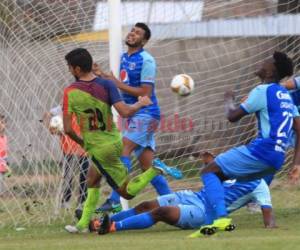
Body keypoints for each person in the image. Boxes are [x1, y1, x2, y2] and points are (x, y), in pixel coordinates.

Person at [62, 48, 181, 233]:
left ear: (77, 69)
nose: (69, 71)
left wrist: (82, 141)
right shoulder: (106, 85)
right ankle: (82, 225)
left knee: (126, 191)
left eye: (69, 67)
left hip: (100, 148)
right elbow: (124, 111)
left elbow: (68, 129)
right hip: (114, 140)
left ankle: (154, 170)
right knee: (92, 180)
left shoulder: (70, 92)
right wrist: (139, 104)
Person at [197, 51, 300, 235]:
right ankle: (207, 223)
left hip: (261, 151)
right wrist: (296, 164)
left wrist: (228, 98)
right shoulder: (285, 95)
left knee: (208, 171)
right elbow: (299, 129)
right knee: (220, 177)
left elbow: (232, 117)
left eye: (267, 62)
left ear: (271, 72)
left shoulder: (262, 90)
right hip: (277, 159)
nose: (262, 62)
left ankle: (220, 219)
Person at [96, 22, 172, 212]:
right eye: (132, 31)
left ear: (144, 40)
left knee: (123, 149)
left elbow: (145, 93)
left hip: (147, 113)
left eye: (137, 33)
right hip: (133, 114)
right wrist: (104, 76)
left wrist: (117, 84)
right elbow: (121, 82)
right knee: (149, 168)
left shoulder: (147, 60)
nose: (132, 34)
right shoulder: (123, 57)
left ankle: (114, 200)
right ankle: (174, 203)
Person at [91, 178, 275, 237]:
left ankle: (113, 227)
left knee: (160, 213)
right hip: (192, 196)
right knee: (145, 205)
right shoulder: (234, 164)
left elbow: (268, 215)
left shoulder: (260, 185)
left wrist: (271, 226)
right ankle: (100, 223)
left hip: (204, 213)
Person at [43, 106, 89, 213]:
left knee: (85, 175)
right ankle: (65, 201)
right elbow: (48, 118)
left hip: (84, 149)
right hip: (68, 149)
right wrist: (53, 127)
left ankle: (82, 201)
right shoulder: (60, 110)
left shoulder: (86, 108)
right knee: (68, 175)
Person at [0, 115, 11, 195]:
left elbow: (4, 152)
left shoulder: (5, 137)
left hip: (3, 165)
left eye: (3, 122)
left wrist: (7, 163)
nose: (1, 125)